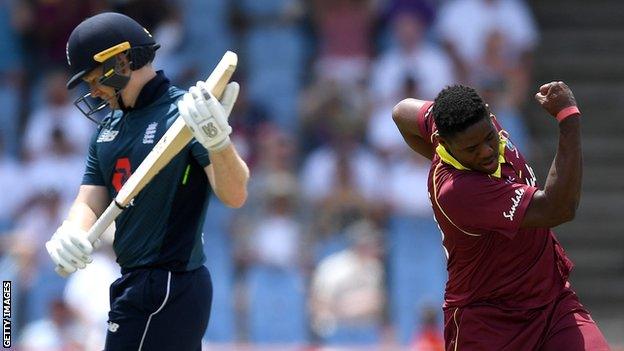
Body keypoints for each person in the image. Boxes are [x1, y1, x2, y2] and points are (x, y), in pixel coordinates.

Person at [44, 12, 249, 350]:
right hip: (135, 281)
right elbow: (88, 200)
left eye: (95, 79)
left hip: (168, 283)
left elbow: (235, 194)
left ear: (122, 61)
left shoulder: (186, 112)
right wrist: (72, 231)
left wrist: (219, 142)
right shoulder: (107, 130)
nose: (93, 92)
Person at [392, 82, 610, 350]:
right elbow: (558, 208)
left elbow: (401, 112)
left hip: (552, 303)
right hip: (490, 325)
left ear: (487, 112)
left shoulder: (462, 123)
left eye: (488, 138)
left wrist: (438, 153)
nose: (485, 151)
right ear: (445, 143)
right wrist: (568, 118)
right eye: (471, 149)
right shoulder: (459, 191)